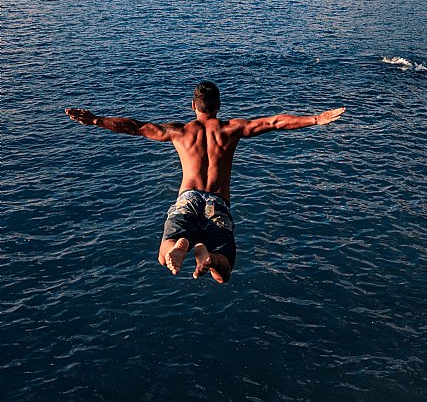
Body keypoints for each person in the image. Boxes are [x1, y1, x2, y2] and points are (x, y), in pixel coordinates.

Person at [66, 82, 345, 284]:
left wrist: (96, 120)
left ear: (193, 106)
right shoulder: (231, 129)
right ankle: (208, 257)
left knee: (165, 256)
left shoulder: (179, 132)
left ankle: (184, 242)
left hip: (187, 198)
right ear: (219, 105)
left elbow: (136, 127)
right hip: (218, 203)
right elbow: (273, 123)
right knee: (222, 274)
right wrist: (315, 119)